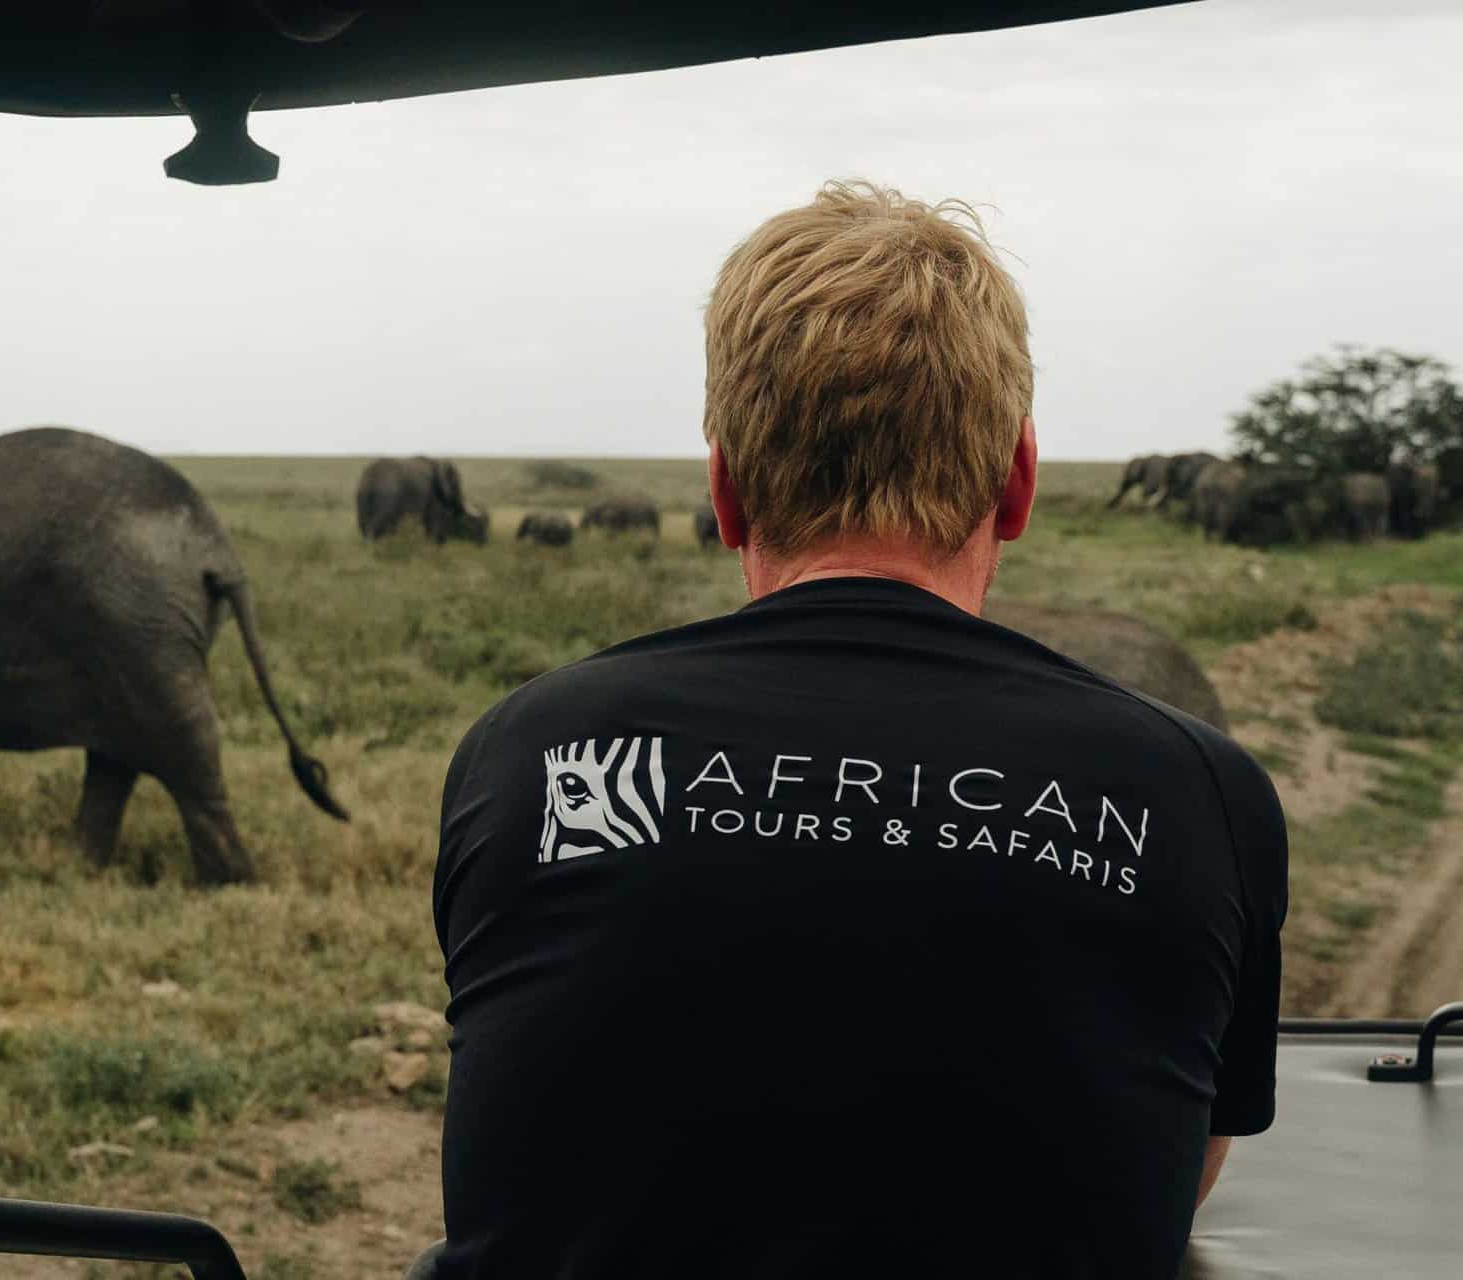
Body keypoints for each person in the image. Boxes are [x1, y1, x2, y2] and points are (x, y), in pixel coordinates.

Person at [429, 181, 1286, 1279]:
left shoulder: (533, 753)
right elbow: (1176, 1178)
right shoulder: (1200, 791)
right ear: (1018, 482)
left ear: (726, 491)